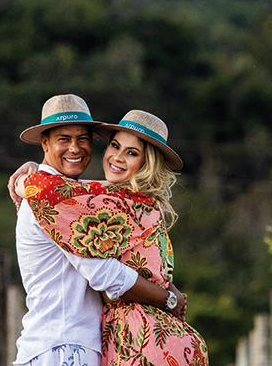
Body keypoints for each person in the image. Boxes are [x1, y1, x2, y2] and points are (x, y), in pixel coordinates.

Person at [11, 108, 209, 366]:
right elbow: (104, 272)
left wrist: (30, 178)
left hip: (123, 342)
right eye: (115, 146)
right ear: (44, 143)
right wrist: (168, 298)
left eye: (132, 153)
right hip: (64, 345)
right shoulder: (99, 203)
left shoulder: (108, 204)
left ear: (146, 164)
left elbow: (112, 271)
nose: (117, 157)